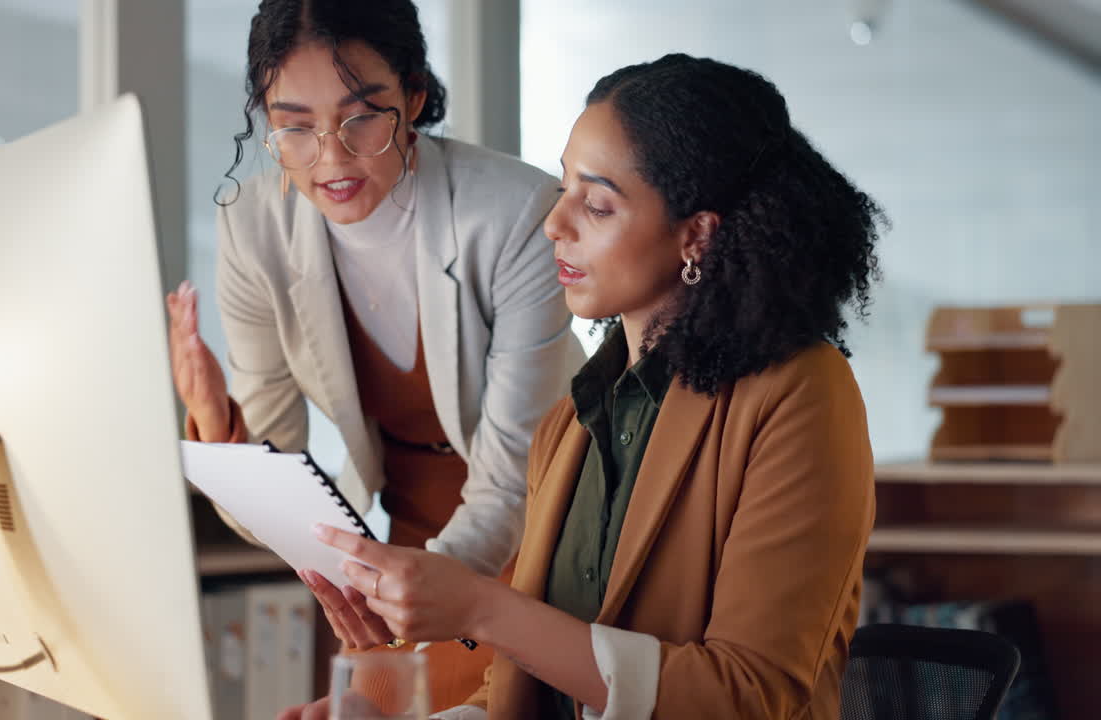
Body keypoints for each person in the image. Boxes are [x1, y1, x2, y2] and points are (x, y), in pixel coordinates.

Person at [310, 53, 885, 719]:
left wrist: (480, 607)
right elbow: (524, 690)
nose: (554, 224)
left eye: (598, 204)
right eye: (562, 189)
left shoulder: (801, 395)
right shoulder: (571, 422)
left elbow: (744, 695)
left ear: (696, 234)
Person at [165, 0, 583, 711]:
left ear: (414, 96)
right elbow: (279, 488)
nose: (330, 157)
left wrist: (405, 602)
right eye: (294, 125)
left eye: (362, 115)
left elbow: (512, 483)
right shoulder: (255, 226)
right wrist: (221, 431)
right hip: (407, 541)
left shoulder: (515, 213)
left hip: (548, 525)